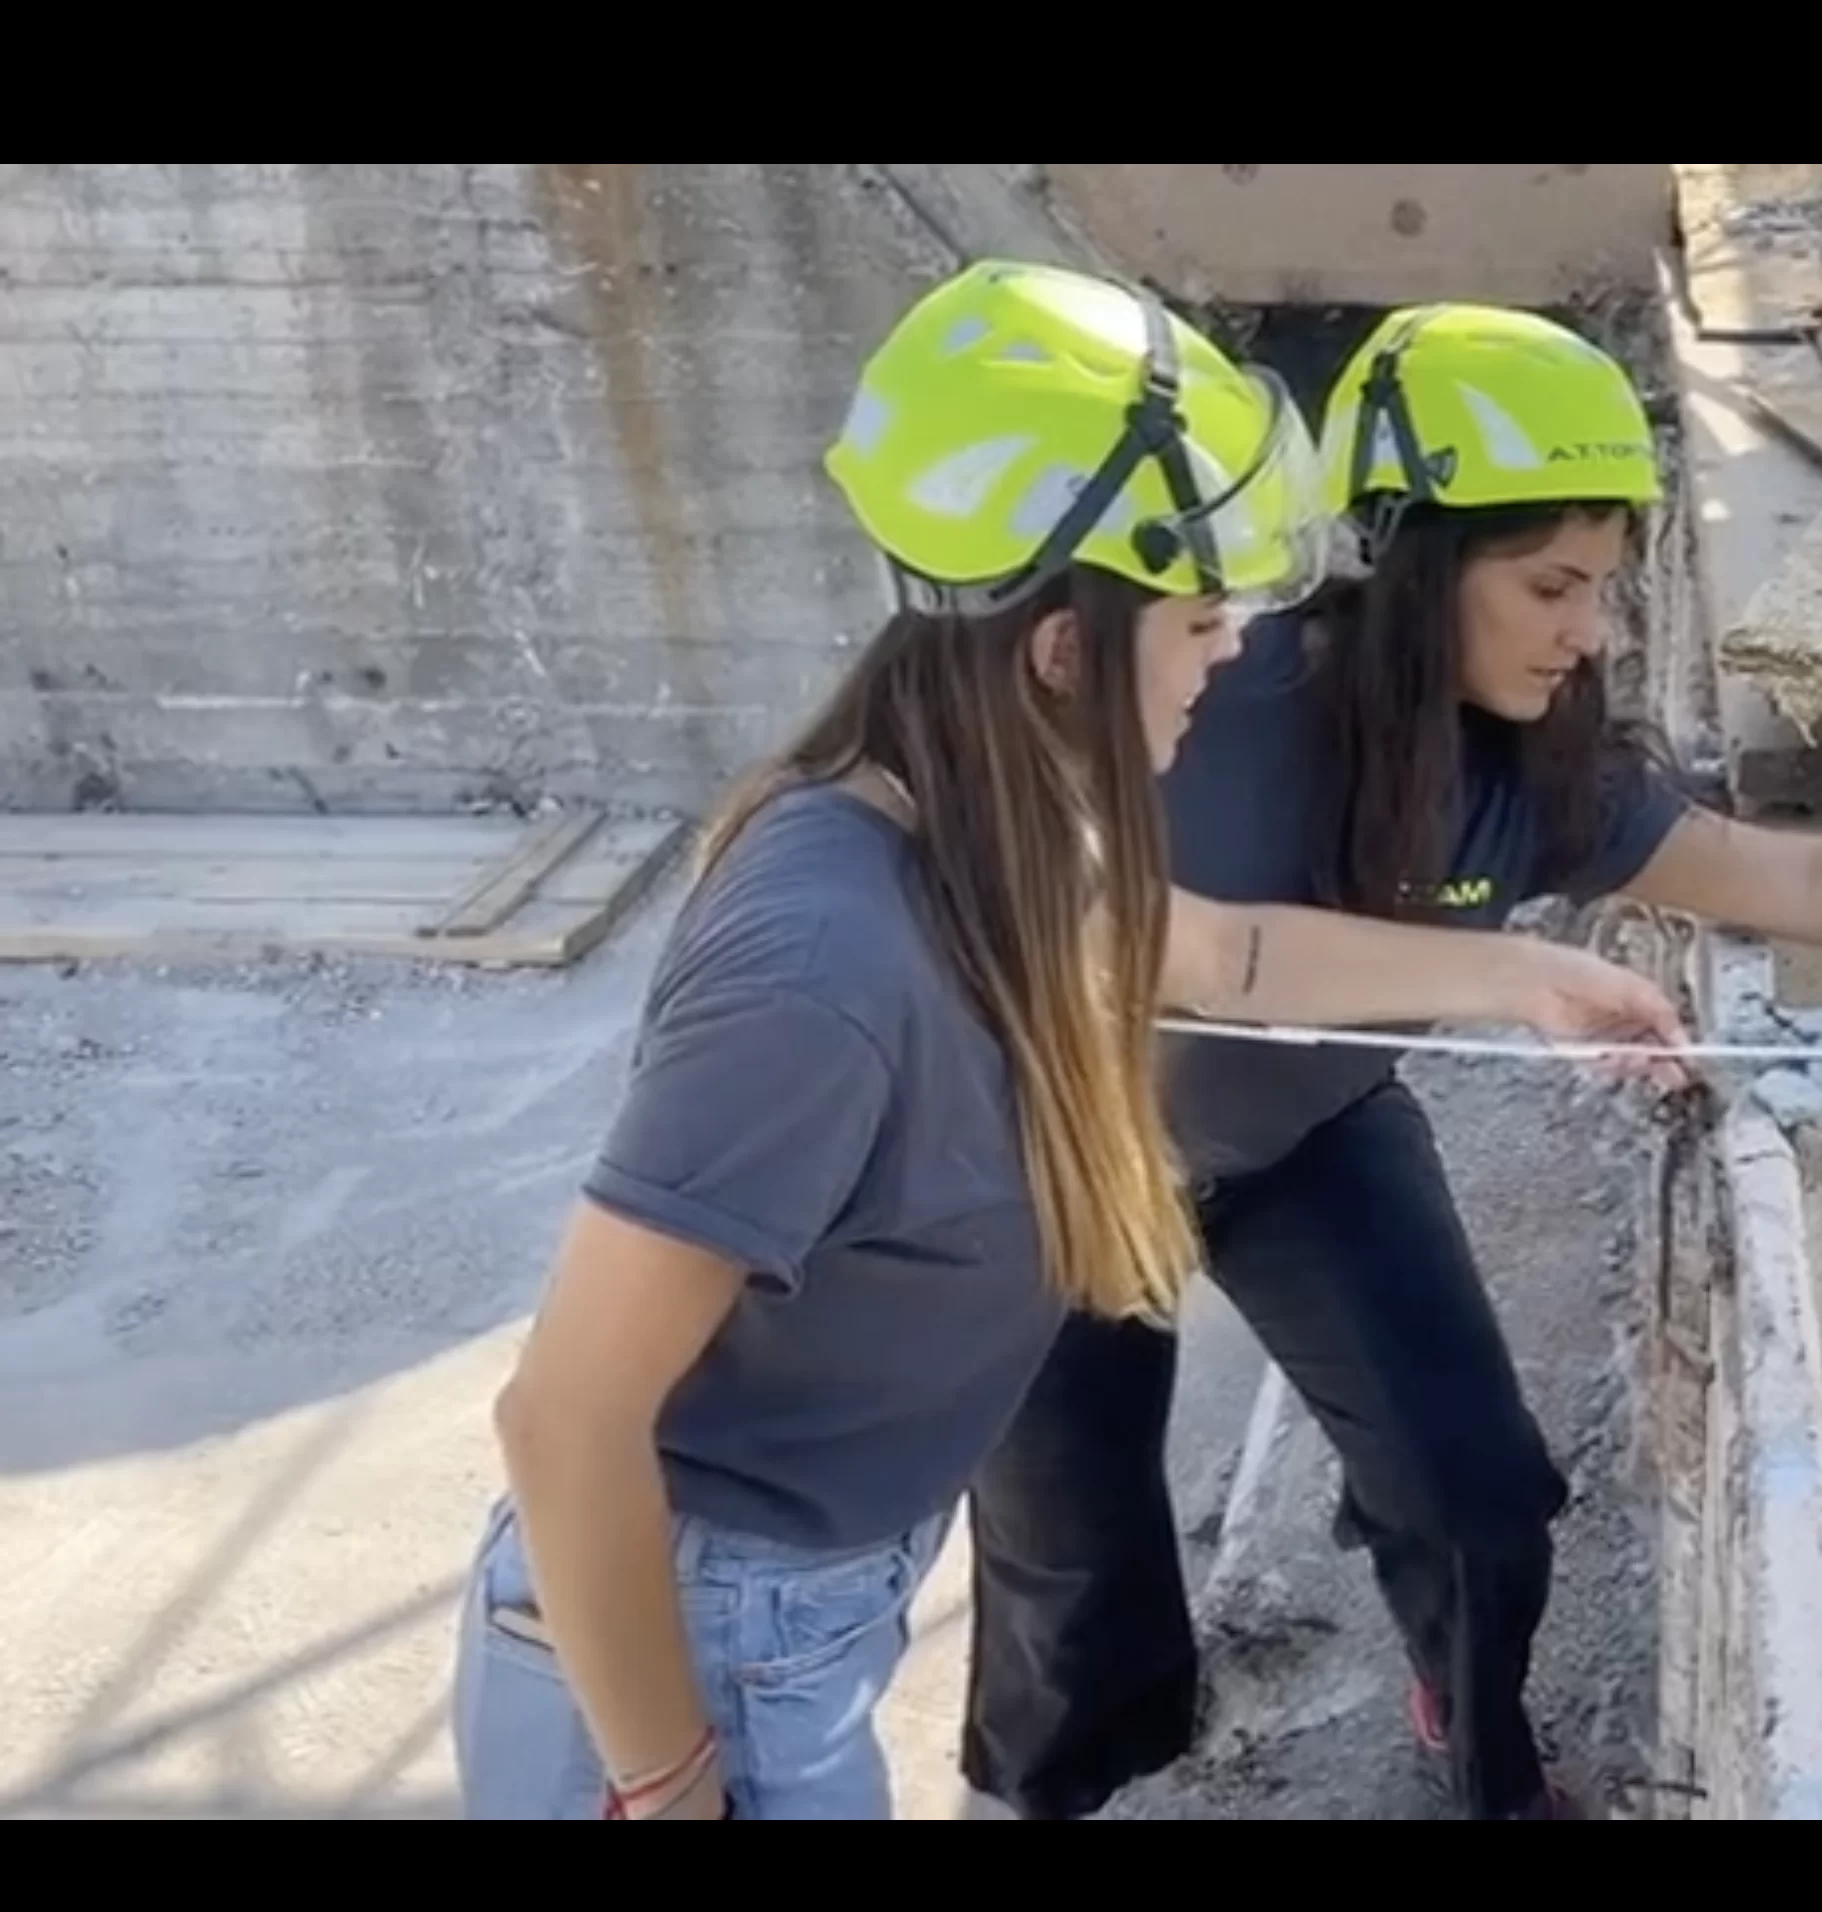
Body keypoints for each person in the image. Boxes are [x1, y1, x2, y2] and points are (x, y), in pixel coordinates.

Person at [448, 264, 1694, 1821]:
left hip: (804, 1605)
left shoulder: (1018, 840)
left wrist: (1518, 975)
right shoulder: (821, 962)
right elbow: (564, 1419)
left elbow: (1230, 951)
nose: (1233, 656)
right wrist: (666, 1783)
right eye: (1196, 622)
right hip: (687, 1649)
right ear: (1057, 652)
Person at [955, 301, 1822, 1821]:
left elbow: (1800, 882)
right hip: (1050, 1162)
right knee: (1072, 1582)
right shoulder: (1202, 698)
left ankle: (1483, 1758)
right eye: (1553, 583)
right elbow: (1174, 936)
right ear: (1420, 567)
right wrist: (1510, 971)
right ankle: (1061, 1785)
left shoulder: (1541, 772)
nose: (1590, 633)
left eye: (1608, 588)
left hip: (1302, 1143)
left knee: (1482, 1501)